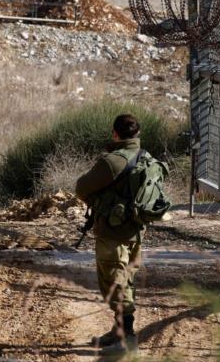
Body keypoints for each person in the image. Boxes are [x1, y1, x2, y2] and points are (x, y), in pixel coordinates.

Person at [75, 114, 145, 356]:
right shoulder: (147, 159)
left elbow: (81, 188)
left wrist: (101, 202)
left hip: (112, 232)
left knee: (115, 281)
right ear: (137, 134)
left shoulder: (113, 161)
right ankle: (118, 332)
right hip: (135, 230)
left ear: (115, 134)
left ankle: (126, 339)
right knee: (126, 280)